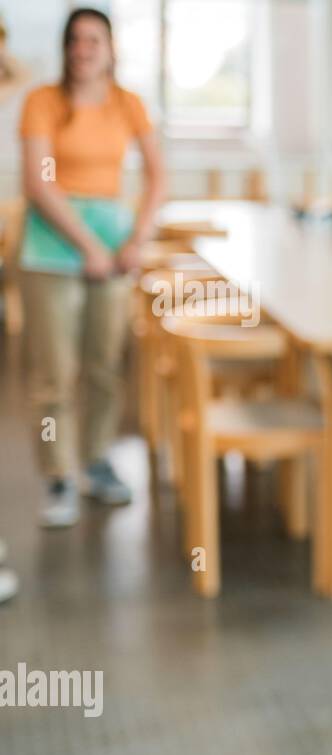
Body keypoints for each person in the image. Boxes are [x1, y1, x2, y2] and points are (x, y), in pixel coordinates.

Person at [19, 7, 165, 529]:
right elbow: (39, 182)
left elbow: (157, 176)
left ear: (110, 48)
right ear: (65, 48)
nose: (83, 49)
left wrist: (136, 239)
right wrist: (88, 247)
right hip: (51, 246)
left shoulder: (129, 105)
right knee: (53, 372)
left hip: (114, 245)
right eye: (75, 40)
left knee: (105, 363)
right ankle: (58, 476)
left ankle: (97, 459)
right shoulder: (41, 102)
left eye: (94, 40)